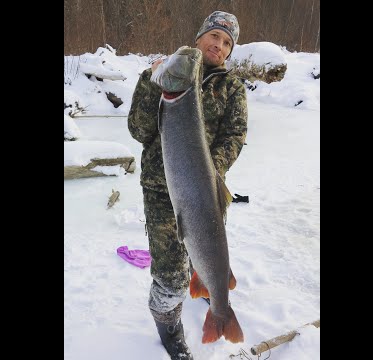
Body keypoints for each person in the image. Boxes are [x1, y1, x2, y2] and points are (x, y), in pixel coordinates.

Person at [127, 10, 247, 360]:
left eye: (227, 43)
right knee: (170, 274)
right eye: (214, 36)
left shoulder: (232, 88)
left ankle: (213, 292)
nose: (219, 46)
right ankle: (168, 323)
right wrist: (153, 85)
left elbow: (235, 137)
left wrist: (210, 168)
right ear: (199, 38)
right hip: (161, 189)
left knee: (207, 251)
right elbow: (140, 131)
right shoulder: (163, 73)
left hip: (206, 191)